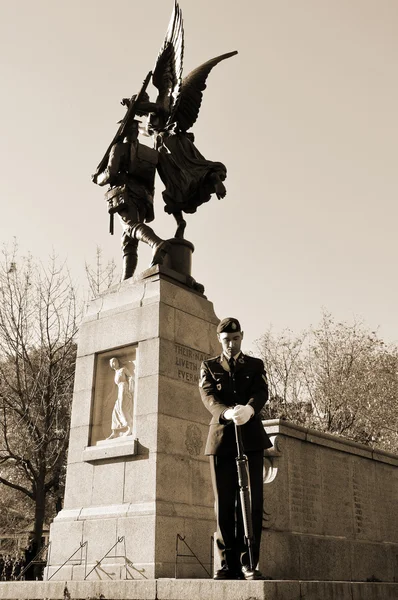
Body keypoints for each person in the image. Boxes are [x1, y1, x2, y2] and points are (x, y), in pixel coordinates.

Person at [199, 317, 272, 580]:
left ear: (242, 336)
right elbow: (208, 396)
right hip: (221, 439)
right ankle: (226, 564)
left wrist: (250, 409)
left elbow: (261, 391)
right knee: (224, 504)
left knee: (251, 503)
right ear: (220, 339)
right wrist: (225, 413)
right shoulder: (208, 366)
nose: (231, 344)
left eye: (236, 338)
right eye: (227, 340)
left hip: (251, 438)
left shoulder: (255, 365)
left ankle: (249, 562)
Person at [92, 118, 170, 280]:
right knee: (128, 239)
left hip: (125, 194)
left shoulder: (118, 148)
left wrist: (98, 178)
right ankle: (126, 279)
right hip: (143, 196)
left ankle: (156, 243)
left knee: (131, 227)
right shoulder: (147, 153)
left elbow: (111, 173)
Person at [107, 358, 134, 439]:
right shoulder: (116, 373)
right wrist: (108, 398)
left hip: (124, 388)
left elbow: (130, 377)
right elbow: (113, 388)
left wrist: (129, 389)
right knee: (115, 410)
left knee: (122, 408)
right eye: (113, 362)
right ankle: (115, 432)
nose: (114, 363)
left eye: (115, 361)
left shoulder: (123, 369)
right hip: (120, 389)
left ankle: (130, 427)